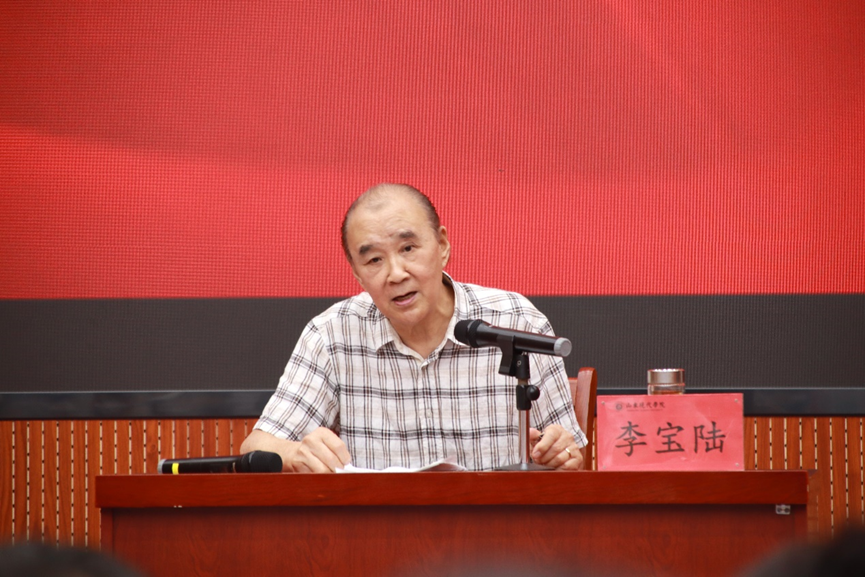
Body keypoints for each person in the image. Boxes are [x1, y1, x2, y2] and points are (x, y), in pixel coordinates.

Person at [240, 183, 585, 472]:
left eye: (408, 248)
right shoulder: (332, 335)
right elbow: (257, 445)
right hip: (379, 530)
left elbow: (574, 457)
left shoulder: (516, 321)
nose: (395, 273)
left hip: (498, 529)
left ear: (442, 245)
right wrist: (296, 453)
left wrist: (560, 454)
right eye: (374, 260)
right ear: (357, 274)